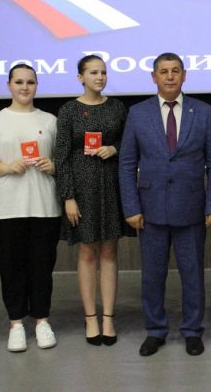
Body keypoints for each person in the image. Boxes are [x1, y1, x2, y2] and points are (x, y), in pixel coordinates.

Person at [119, 52, 211, 357]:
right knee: (152, 276)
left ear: (184, 75)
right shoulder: (138, 113)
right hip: (149, 209)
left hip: (192, 208)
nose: (169, 76)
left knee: (193, 274)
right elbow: (127, 164)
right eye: (163, 71)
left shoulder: (203, 112)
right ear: (154, 77)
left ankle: (192, 330)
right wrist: (131, 207)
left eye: (175, 71)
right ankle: (155, 330)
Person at [0, 64, 61, 352]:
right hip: (6, 209)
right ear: (9, 85)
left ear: (37, 85)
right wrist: (9, 167)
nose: (25, 87)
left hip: (44, 207)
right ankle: (16, 324)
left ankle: (42, 321)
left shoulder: (50, 120)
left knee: (42, 266)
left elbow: (63, 161)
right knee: (11, 267)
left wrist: (53, 165)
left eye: (30, 82)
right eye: (19, 82)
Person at [55, 55, 133, 346]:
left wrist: (114, 148)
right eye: (93, 72)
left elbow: (130, 142)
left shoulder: (117, 107)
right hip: (81, 189)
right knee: (88, 252)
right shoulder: (69, 110)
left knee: (110, 252)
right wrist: (68, 197)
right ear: (80, 77)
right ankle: (90, 318)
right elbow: (61, 157)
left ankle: (108, 318)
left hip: (111, 185)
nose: (100, 77)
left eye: (103, 72)